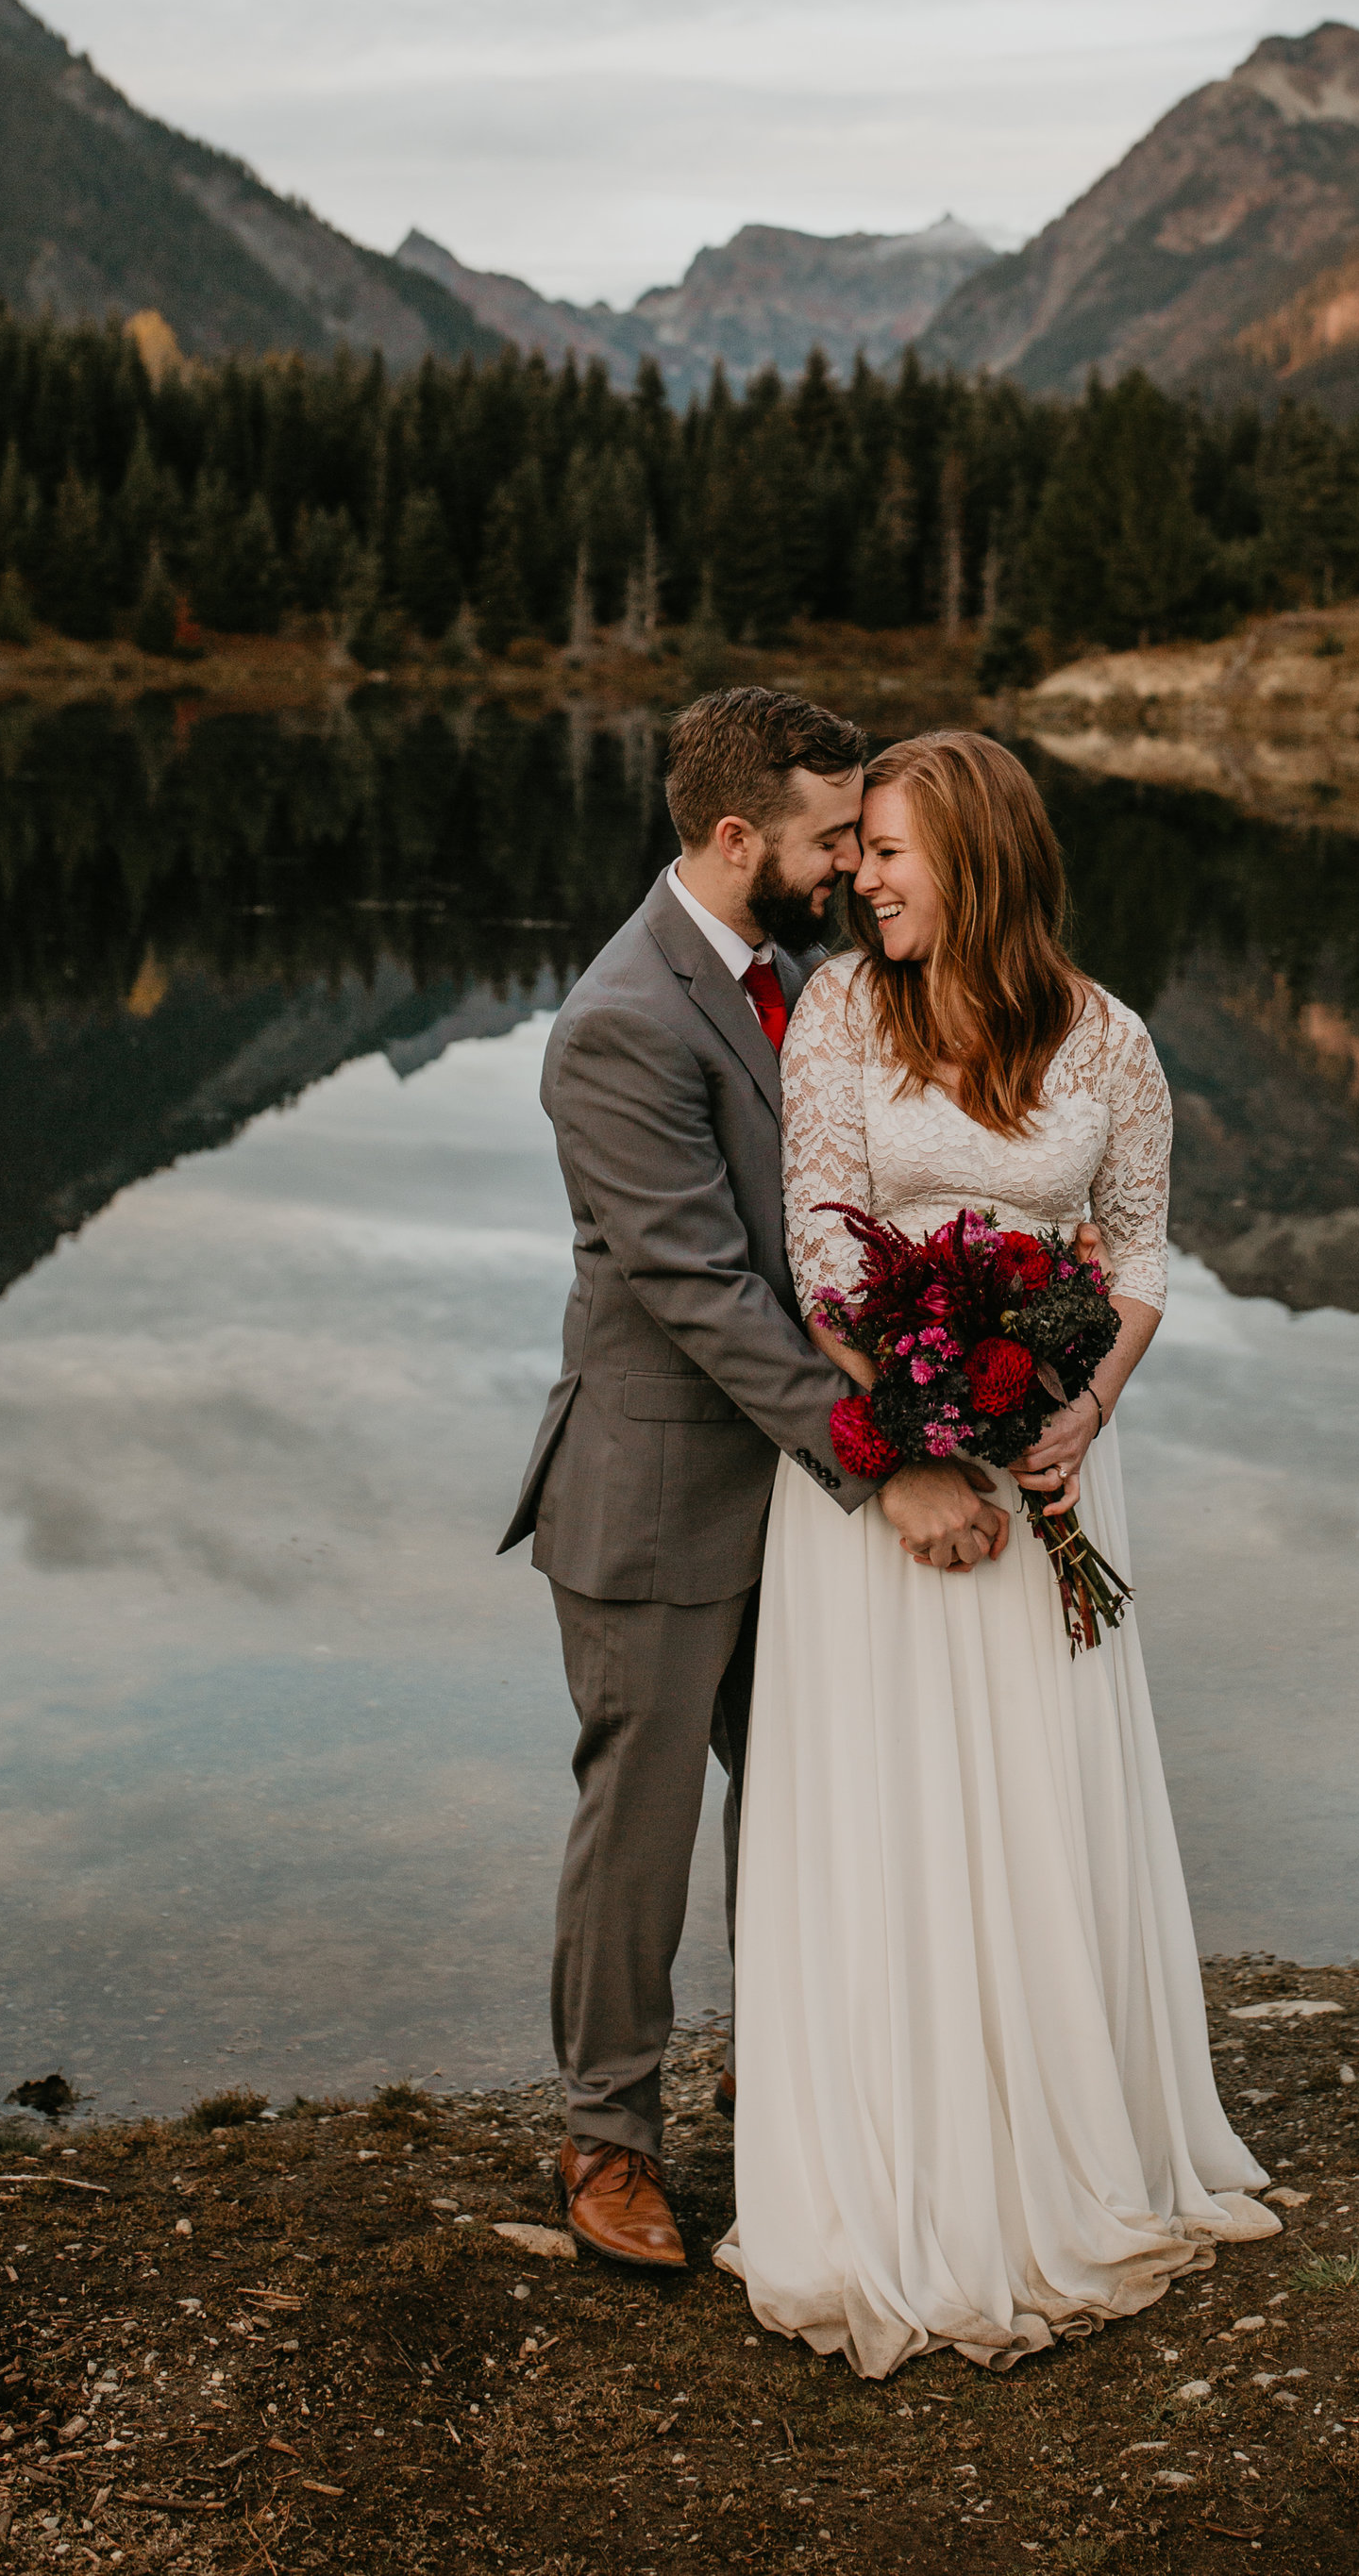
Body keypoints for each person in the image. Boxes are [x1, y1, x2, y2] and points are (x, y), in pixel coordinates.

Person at [715, 729, 1278, 2373]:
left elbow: (1148, 1254)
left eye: (889, 850)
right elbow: (821, 1242)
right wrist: (917, 1419)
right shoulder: (838, 1014)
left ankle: (1056, 2151)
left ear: (979, 855)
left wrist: (1079, 1410)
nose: (860, 877)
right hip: (886, 1478)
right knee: (882, 1804)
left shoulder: (1111, 1043)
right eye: (860, 849)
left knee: (1037, 1792)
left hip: (1050, 1477)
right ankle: (890, 2170)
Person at [499, 687, 1015, 2277]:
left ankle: (808, 2112)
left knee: (804, 1816)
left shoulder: (804, 977)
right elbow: (704, 1288)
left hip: (791, 1497)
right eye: (826, 840)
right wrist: (889, 1465)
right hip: (656, 1499)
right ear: (738, 840)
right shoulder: (617, 1026)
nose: (852, 865)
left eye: (866, 840)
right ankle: (609, 2140)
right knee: (641, 1828)